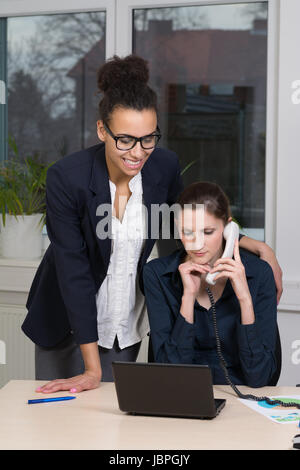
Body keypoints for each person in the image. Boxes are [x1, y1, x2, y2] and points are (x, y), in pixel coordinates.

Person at [22, 55, 282, 394]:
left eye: (149, 138)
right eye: (125, 139)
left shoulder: (163, 165)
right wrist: (90, 368)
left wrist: (252, 244)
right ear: (102, 130)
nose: (138, 152)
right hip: (66, 324)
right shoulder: (66, 177)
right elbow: (73, 272)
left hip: (125, 323)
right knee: (61, 424)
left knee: (119, 424)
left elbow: (184, 221)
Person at [143, 182, 278, 387]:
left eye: (207, 232)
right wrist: (188, 297)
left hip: (241, 401)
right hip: (183, 398)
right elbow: (169, 375)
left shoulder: (259, 274)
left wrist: (244, 299)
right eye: (188, 232)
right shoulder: (157, 274)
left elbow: (260, 377)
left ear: (228, 229)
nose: (197, 243)